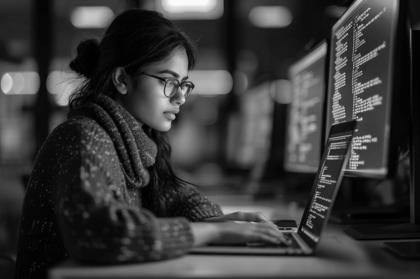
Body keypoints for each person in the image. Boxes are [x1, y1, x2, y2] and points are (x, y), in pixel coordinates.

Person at [14, 9, 285, 279]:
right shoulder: (84, 136)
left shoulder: (131, 139)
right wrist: (213, 232)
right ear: (122, 80)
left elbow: (172, 195)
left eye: (184, 84)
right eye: (168, 81)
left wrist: (211, 220)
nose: (180, 97)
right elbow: (102, 234)